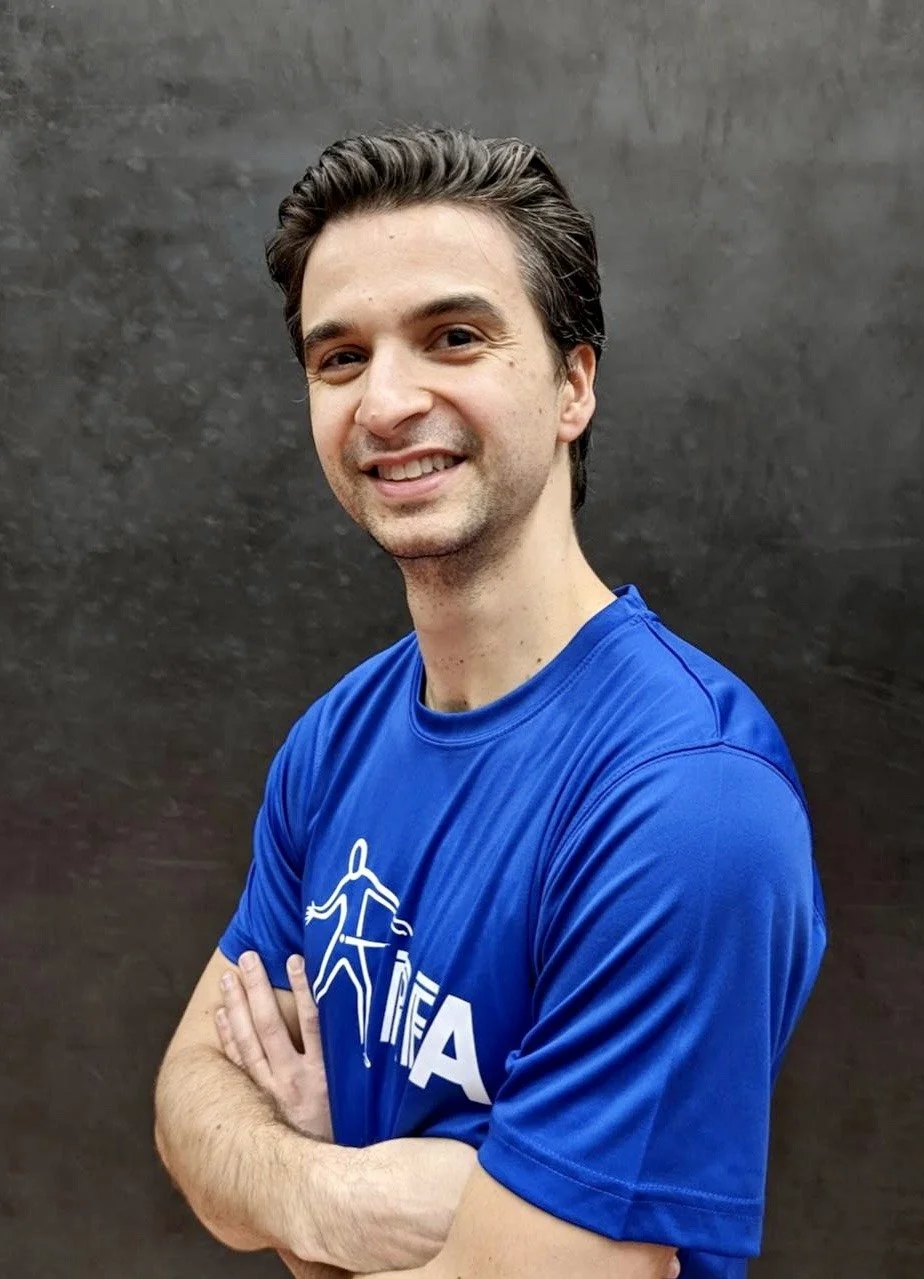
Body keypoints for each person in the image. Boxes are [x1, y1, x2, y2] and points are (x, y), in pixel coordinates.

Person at [153, 126, 827, 1279]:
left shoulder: (686, 798)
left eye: (452, 338)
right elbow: (188, 1106)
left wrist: (292, 1211)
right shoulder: (338, 738)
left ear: (572, 382)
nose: (386, 401)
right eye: (339, 358)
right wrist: (349, 1200)